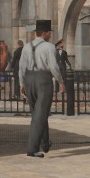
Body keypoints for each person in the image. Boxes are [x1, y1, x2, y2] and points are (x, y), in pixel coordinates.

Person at [21, 19, 63, 157]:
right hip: (43, 80)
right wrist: (60, 81)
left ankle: (45, 143)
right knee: (40, 115)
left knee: (38, 113)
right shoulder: (49, 47)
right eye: (49, 32)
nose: (50, 35)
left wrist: (21, 83)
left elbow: (22, 66)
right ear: (44, 33)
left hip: (29, 79)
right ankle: (32, 149)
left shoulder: (26, 46)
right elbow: (54, 67)